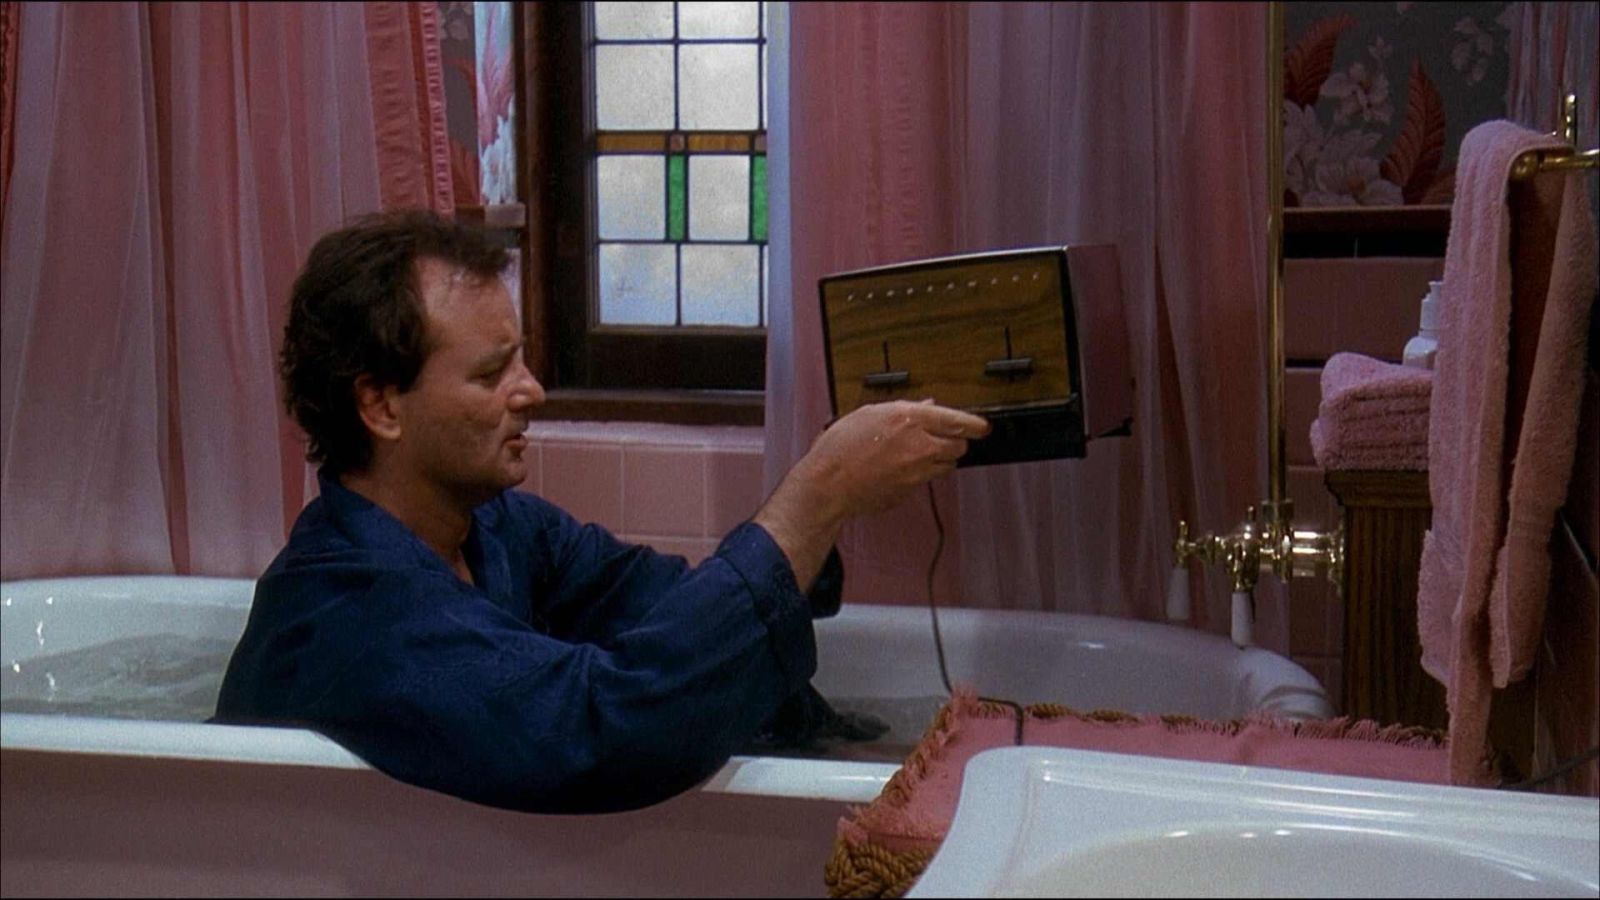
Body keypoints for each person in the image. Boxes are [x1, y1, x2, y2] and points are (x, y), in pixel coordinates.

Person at [213, 209, 991, 814]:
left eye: (521, 357)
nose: (531, 390)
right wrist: (818, 494)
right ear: (382, 405)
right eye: (491, 373)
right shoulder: (349, 613)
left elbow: (674, 610)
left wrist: (832, 489)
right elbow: (606, 731)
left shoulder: (498, 529)